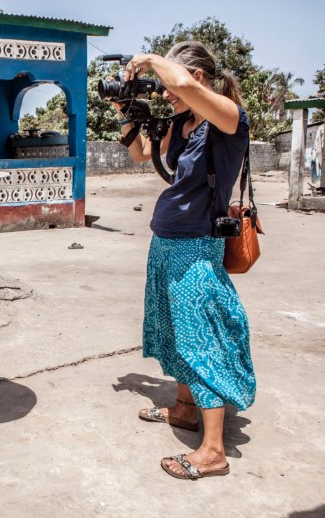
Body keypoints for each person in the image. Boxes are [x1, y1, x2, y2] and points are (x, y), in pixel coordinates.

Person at [115, 41, 255, 479]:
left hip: (197, 244)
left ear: (196, 78)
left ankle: (213, 451)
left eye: (169, 86)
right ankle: (184, 408)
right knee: (173, 331)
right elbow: (139, 153)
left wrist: (150, 59)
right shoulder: (184, 122)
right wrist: (127, 111)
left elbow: (175, 81)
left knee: (202, 337)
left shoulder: (229, 118)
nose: (165, 94)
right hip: (167, 240)